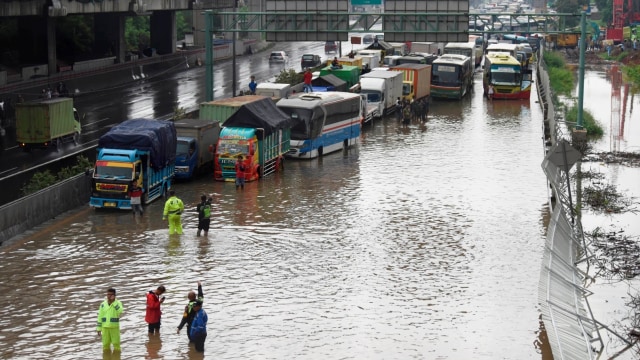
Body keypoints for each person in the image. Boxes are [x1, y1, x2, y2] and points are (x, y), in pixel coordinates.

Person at [96, 288, 124, 353]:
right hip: (105, 327)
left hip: (114, 327)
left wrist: (114, 302)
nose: (109, 296)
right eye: (108, 294)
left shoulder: (118, 303)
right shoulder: (103, 304)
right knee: (105, 344)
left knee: (116, 344)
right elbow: (100, 316)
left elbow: (120, 311)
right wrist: (99, 328)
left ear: (114, 295)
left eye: (111, 295)